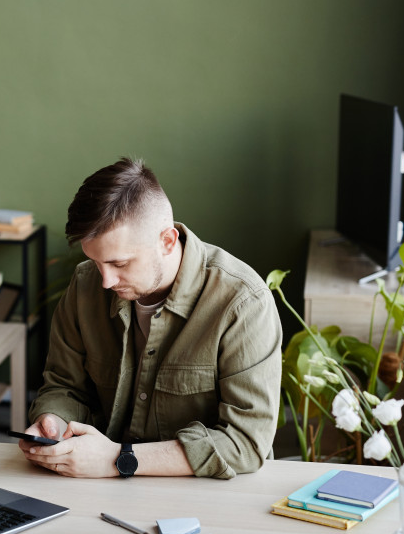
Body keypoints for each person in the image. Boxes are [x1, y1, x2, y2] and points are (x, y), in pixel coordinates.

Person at [18, 157, 282, 480]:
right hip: (96, 489)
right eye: (97, 262)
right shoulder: (86, 285)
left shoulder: (242, 303)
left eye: (120, 264)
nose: (106, 281)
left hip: (207, 498)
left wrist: (119, 459)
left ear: (167, 242)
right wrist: (52, 422)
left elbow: (246, 441)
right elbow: (63, 386)